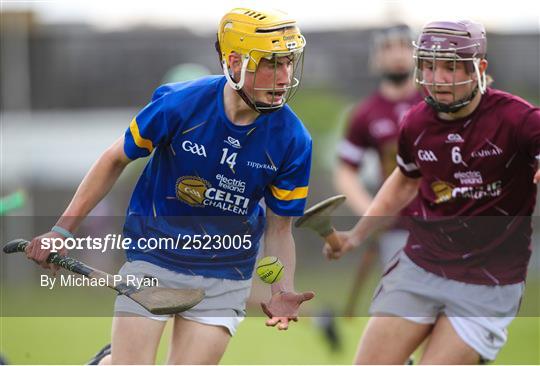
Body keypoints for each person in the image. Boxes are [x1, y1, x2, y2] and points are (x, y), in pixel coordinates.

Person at [26, 7, 315, 365]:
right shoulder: (181, 104)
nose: (285, 76)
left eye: (289, 63)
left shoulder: (294, 140)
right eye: (273, 63)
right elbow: (113, 159)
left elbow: (279, 228)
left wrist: (281, 288)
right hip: (154, 258)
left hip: (226, 274)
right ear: (236, 61)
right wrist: (62, 231)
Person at [324, 20, 540, 364]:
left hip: (489, 281)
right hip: (421, 266)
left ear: (479, 68)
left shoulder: (519, 119)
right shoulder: (416, 122)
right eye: (428, 66)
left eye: (450, 67)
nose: (438, 78)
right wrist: (358, 233)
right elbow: (405, 180)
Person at [334, 24, 423, 316]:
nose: (397, 54)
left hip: (447, 222)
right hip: (398, 229)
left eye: (404, 46)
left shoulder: (434, 103)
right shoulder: (366, 113)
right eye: (388, 47)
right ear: (376, 58)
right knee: (404, 307)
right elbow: (345, 171)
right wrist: (372, 212)